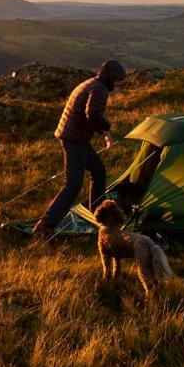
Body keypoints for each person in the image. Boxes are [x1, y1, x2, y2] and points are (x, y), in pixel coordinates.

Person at [32, 60, 126, 242]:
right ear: (110, 77)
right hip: (74, 139)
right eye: (116, 80)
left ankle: (98, 214)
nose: (116, 84)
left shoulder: (92, 83)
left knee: (98, 171)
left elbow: (89, 115)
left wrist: (103, 133)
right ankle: (45, 226)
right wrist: (107, 127)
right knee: (73, 185)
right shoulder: (99, 89)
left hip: (75, 136)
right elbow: (93, 114)